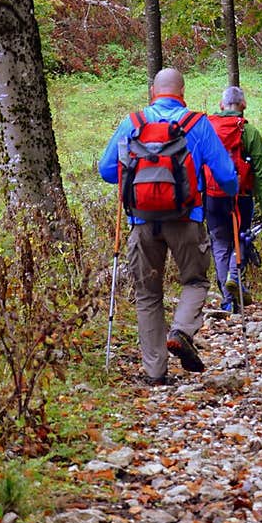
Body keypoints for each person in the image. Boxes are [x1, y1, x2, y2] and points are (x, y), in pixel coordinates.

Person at [98, 67, 238, 386]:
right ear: (182, 92)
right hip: (187, 220)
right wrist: (230, 193)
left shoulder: (132, 124)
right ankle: (182, 331)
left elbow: (107, 170)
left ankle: (155, 373)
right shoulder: (197, 124)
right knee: (195, 281)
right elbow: (227, 176)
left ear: (152, 92)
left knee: (147, 294)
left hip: (141, 222)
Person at [204, 85, 262, 311]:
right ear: (243, 105)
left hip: (212, 197)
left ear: (221, 105)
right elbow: (261, 173)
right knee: (242, 237)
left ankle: (227, 300)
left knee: (220, 243)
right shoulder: (250, 132)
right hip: (241, 196)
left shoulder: (207, 128)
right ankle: (235, 276)